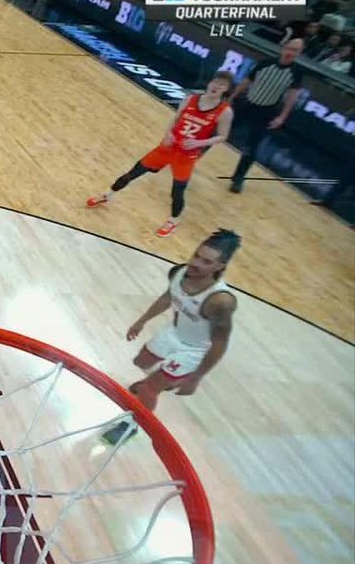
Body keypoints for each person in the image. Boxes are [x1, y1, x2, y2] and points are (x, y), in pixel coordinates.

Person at [102, 230, 240, 445]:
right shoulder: (180, 272)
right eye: (196, 255)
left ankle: (132, 425)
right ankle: (163, 381)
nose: (196, 263)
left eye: (206, 261)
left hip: (195, 350)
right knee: (141, 361)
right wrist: (142, 320)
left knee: (148, 389)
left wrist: (196, 377)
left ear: (219, 267)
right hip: (175, 333)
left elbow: (221, 343)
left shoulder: (220, 301)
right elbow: (168, 297)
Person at [86, 71, 234, 238]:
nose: (217, 86)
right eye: (216, 82)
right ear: (210, 83)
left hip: (187, 155)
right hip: (168, 148)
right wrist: (168, 134)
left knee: (177, 191)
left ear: (226, 90)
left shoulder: (225, 111)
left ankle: (173, 220)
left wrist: (199, 143)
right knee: (133, 173)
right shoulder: (190, 99)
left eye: (222, 85)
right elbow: (176, 118)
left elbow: (222, 136)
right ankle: (106, 195)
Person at [227, 39, 305, 193]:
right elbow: (247, 80)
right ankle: (197, 153)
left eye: (295, 50)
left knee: (252, 147)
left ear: (299, 53)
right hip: (247, 104)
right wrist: (232, 97)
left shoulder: (296, 72)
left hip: (266, 111)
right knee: (221, 130)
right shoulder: (265, 63)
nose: (291, 52)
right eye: (289, 48)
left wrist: (282, 117)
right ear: (283, 48)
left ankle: (238, 178)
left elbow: (292, 96)